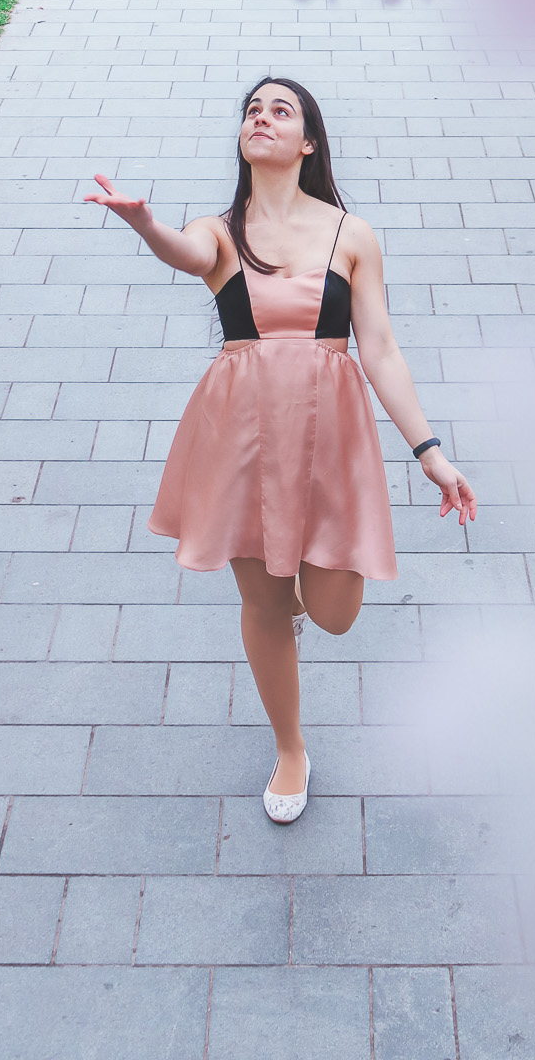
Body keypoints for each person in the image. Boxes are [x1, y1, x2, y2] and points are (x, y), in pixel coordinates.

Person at [85, 75, 477, 824]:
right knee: (262, 603)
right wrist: (144, 225)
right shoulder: (219, 231)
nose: (260, 118)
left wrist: (429, 451)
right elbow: (183, 250)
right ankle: (290, 747)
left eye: (280, 110)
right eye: (251, 110)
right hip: (238, 435)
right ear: (244, 137)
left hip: (330, 435)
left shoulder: (349, 233)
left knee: (333, 612)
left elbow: (382, 350)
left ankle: (291, 598)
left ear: (307, 142)